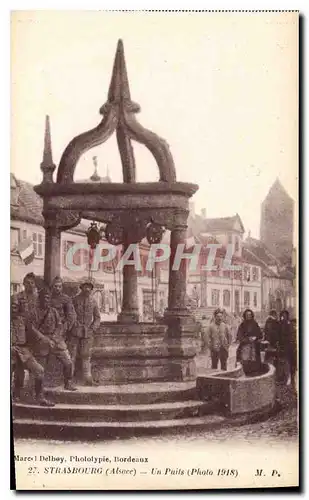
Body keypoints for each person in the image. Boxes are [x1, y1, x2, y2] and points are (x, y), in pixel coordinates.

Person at [29, 286, 77, 391]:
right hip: (41, 341)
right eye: (44, 298)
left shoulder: (53, 311)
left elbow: (59, 325)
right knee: (39, 368)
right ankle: (38, 389)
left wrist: (55, 338)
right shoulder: (34, 312)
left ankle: (68, 382)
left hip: (55, 340)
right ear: (40, 299)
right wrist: (45, 339)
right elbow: (31, 328)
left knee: (68, 362)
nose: (46, 300)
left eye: (48, 298)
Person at [11, 296, 54, 406]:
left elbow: (34, 333)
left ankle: (39, 397)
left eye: (16, 306)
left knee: (39, 370)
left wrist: (47, 340)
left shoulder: (23, 320)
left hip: (23, 350)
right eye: (11, 305)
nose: (13, 307)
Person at [68, 278, 101, 386]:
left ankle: (88, 379)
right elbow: (70, 315)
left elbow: (97, 318)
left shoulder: (94, 302)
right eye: (85, 286)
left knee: (86, 356)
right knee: (71, 356)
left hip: (88, 333)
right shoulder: (74, 300)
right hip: (75, 332)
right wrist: (73, 325)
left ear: (91, 289)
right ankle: (69, 380)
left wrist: (93, 328)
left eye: (89, 287)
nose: (87, 289)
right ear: (81, 287)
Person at [236, 309, 263, 375]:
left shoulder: (255, 324)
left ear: (252, 315)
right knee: (245, 360)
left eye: (250, 315)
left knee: (254, 361)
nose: (248, 316)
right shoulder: (242, 325)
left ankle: (254, 373)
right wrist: (247, 339)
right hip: (245, 346)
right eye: (247, 315)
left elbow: (260, 334)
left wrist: (255, 338)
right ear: (245, 316)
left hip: (254, 345)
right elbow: (239, 335)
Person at [277, 310, 294, 385]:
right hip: (281, 345)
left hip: (288, 345)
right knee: (281, 361)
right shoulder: (280, 323)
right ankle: (282, 377)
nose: (283, 316)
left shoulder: (289, 323)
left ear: (287, 316)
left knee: (287, 361)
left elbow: (291, 335)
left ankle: (289, 378)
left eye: (285, 315)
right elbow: (278, 334)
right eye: (282, 315)